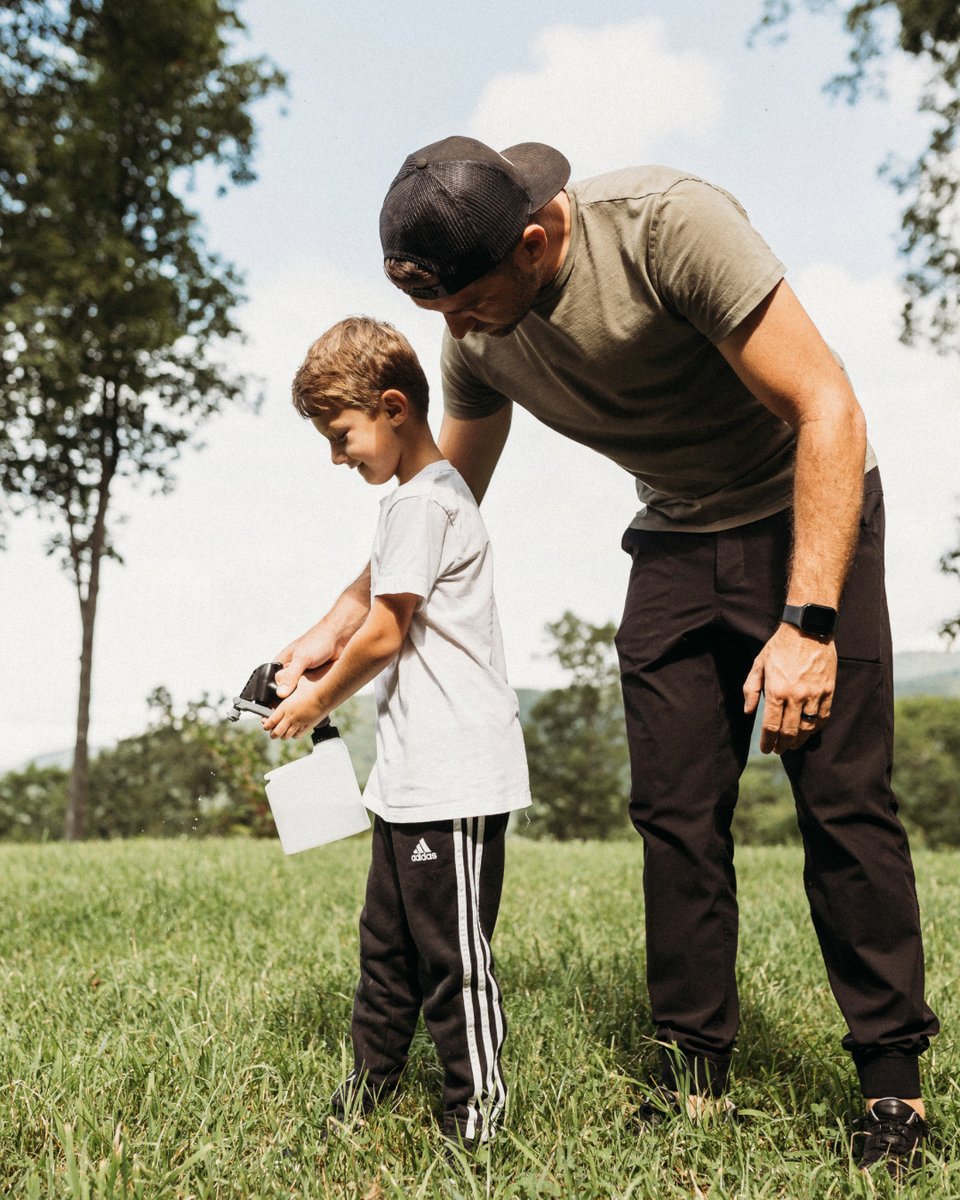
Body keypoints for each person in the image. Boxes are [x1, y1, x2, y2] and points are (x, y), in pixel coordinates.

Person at [274, 138, 939, 1178]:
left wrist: (808, 624)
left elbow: (830, 409)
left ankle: (892, 1089)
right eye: (435, 307)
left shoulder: (670, 229)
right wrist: (336, 618)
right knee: (674, 812)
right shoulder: (475, 334)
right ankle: (694, 1078)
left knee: (843, 803)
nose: (451, 332)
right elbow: (442, 499)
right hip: (675, 540)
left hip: (801, 511)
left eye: (466, 302)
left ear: (535, 242)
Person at [264, 316, 531, 1152]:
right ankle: (371, 1084)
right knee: (385, 947)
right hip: (411, 780)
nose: (337, 457)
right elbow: (368, 618)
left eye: (341, 436)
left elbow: (384, 632)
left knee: (451, 958)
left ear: (393, 408)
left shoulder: (423, 502)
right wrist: (314, 648)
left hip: (453, 780)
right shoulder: (420, 500)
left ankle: (476, 1109)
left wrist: (314, 703)